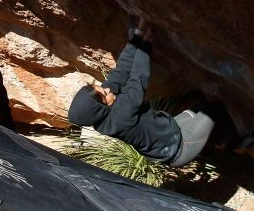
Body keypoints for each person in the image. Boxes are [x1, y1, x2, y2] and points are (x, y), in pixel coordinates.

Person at [67, 19, 214, 167]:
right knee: (212, 110)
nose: (107, 89)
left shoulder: (105, 108)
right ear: (101, 109)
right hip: (180, 148)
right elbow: (138, 78)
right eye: (104, 94)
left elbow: (121, 70)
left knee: (199, 109)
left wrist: (138, 33)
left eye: (101, 88)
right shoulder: (121, 118)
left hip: (171, 128)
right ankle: (232, 142)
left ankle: (220, 140)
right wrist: (146, 44)